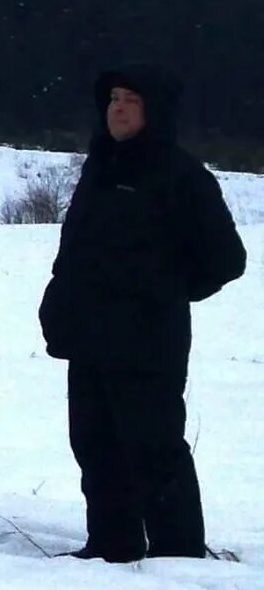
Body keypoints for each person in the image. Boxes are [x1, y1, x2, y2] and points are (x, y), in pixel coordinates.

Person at [38, 65, 246, 560]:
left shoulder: (181, 175)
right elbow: (78, 251)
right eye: (113, 98)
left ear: (154, 110)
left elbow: (226, 259)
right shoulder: (99, 169)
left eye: (131, 99)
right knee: (94, 444)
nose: (119, 107)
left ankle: (179, 555)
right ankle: (113, 543)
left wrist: (163, 294)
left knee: (153, 450)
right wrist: (60, 304)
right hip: (89, 337)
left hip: (148, 343)